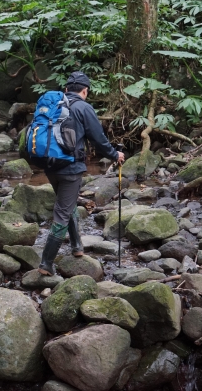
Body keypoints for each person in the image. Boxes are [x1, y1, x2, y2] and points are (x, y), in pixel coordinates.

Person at [38, 71, 125, 276]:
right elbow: (98, 139)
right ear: (85, 91)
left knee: (66, 204)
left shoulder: (54, 105)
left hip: (50, 166)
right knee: (62, 211)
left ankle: (77, 246)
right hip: (70, 169)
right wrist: (115, 155)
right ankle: (46, 263)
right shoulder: (83, 107)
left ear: (66, 89)